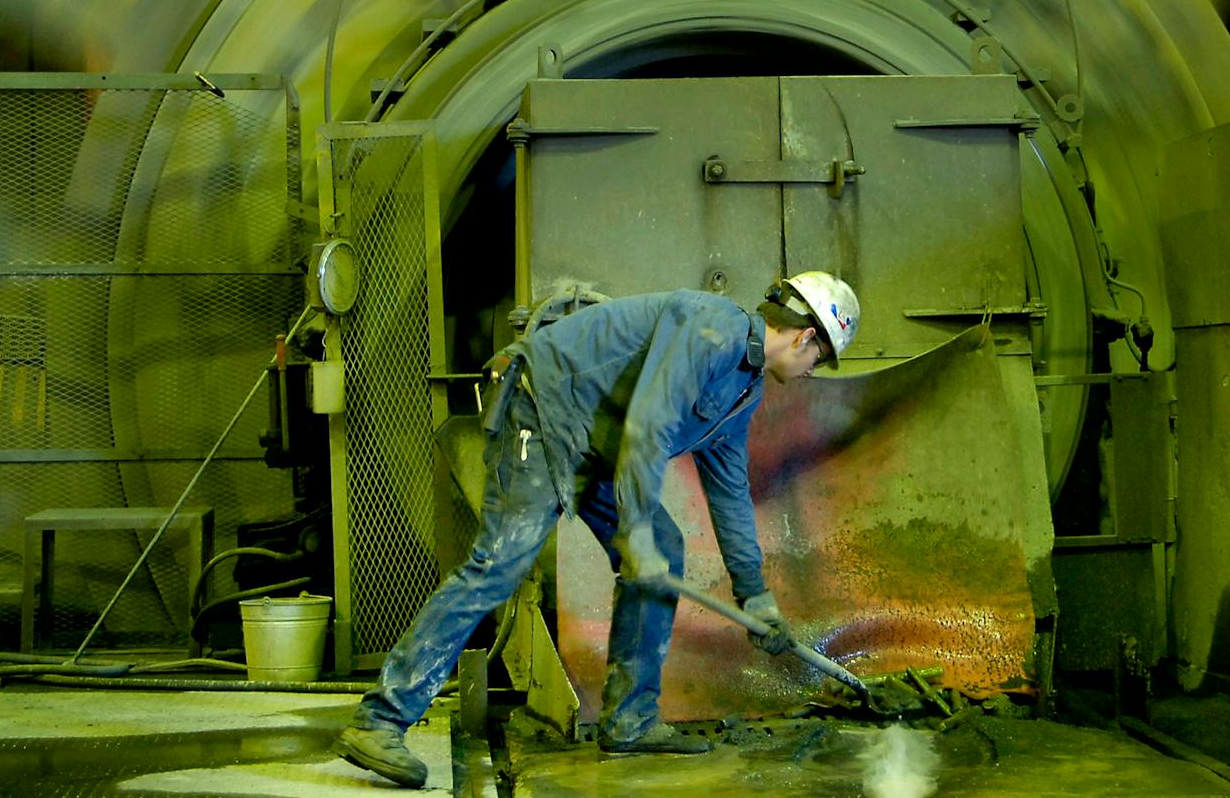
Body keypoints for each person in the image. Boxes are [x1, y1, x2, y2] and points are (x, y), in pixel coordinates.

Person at [332, 271, 861, 789]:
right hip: (539, 411)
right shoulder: (711, 326)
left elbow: (728, 491)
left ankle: (629, 720)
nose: (816, 368)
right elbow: (648, 427)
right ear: (806, 335)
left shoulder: (743, 391)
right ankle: (380, 720)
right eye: (822, 357)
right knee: (500, 563)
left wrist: (754, 593)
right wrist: (634, 531)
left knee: (666, 550)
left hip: (594, 445)